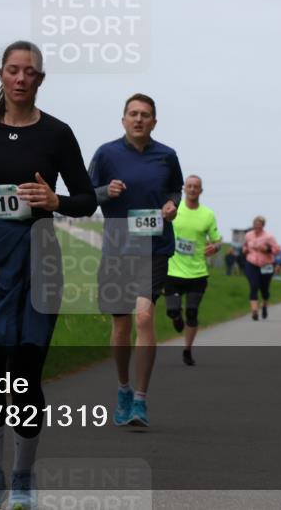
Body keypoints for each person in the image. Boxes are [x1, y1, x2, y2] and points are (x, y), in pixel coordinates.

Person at [0, 41, 97, 510]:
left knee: (26, 372)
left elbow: (86, 199)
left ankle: (24, 477)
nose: (21, 78)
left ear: (40, 80)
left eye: (30, 72)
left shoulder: (57, 134)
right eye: (13, 70)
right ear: (2, 75)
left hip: (37, 255)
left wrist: (56, 201)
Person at [89, 93, 183, 428]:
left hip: (154, 246)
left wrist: (172, 206)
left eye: (145, 114)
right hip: (117, 247)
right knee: (121, 325)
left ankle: (141, 400)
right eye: (133, 113)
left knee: (143, 317)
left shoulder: (167, 156)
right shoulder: (106, 154)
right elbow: (86, 195)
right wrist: (106, 192)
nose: (139, 119)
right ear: (123, 119)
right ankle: (124, 388)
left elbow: (175, 190)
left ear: (154, 121)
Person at [165, 175, 223, 366]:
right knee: (172, 311)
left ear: (200, 191)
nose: (192, 189)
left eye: (195, 186)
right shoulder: (174, 209)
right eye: (189, 186)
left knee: (192, 313)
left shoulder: (208, 215)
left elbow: (217, 240)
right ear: (184, 189)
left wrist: (215, 247)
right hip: (173, 271)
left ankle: (187, 350)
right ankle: (176, 317)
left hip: (197, 273)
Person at [242, 216, 281, 321]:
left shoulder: (269, 237)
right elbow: (245, 245)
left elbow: (277, 250)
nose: (257, 227)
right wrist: (245, 250)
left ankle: (264, 305)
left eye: (259, 225)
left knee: (264, 289)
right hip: (251, 263)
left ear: (263, 225)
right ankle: (254, 311)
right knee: (254, 286)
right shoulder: (248, 235)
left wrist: (267, 249)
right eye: (255, 225)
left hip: (266, 265)